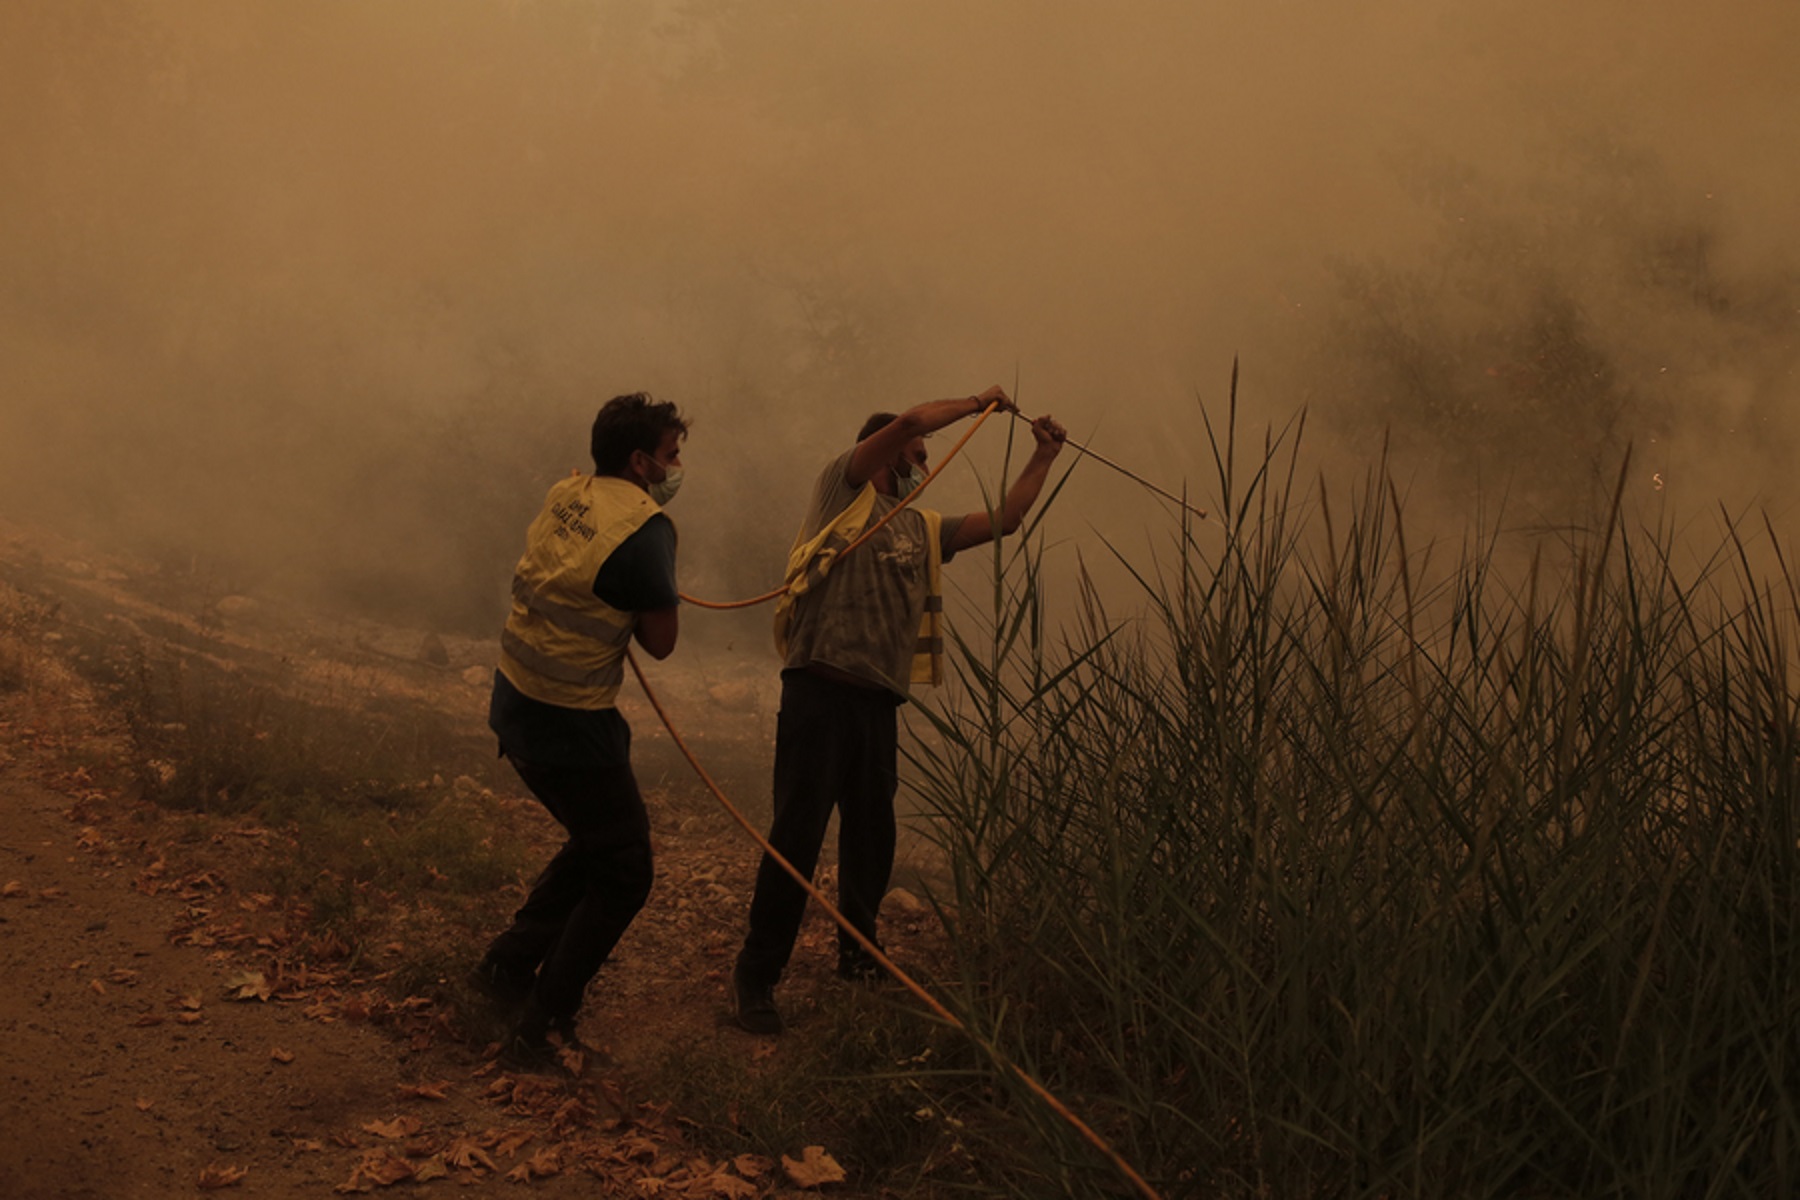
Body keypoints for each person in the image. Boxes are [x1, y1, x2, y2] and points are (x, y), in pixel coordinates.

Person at [732, 385, 1066, 1035]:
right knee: (796, 839)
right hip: (818, 695)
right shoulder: (844, 492)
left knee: (871, 839)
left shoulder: (921, 527)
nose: (923, 463)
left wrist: (1044, 456)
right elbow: (912, 418)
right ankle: (756, 976)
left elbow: (1004, 520)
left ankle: (858, 957)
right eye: (915, 455)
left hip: (876, 704)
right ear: (884, 455)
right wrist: (978, 403)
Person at [470, 391, 688, 1070]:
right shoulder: (647, 531)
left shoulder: (566, 491)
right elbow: (661, 643)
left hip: (515, 702)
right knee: (626, 871)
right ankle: (542, 1025)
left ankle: (503, 972)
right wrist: (658, 575)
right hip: (571, 725)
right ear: (640, 460)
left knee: (599, 842)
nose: (678, 467)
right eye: (672, 455)